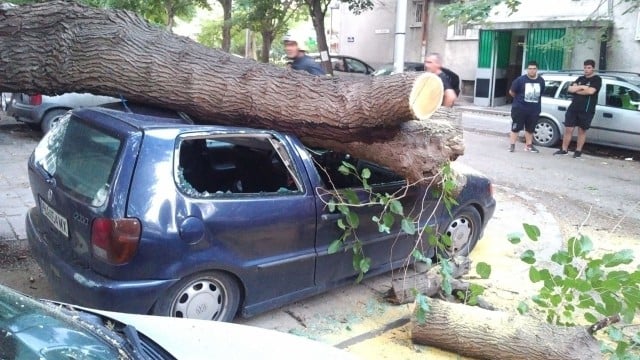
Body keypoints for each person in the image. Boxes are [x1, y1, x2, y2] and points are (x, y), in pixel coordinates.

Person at [554, 59, 602, 158]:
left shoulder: (597, 79)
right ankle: (564, 149)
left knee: (582, 130)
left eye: (589, 68)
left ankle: (578, 151)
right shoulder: (580, 78)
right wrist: (583, 87)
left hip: (587, 109)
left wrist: (578, 89)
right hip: (573, 108)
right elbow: (570, 89)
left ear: (593, 68)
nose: (586, 70)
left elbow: (590, 92)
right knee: (568, 129)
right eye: (585, 68)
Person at [507, 60, 545, 153]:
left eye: (534, 69)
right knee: (515, 127)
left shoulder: (541, 81)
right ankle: (512, 145)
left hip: (534, 110)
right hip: (520, 109)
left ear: (537, 70)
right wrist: (519, 100)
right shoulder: (520, 80)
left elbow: (541, 92)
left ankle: (529, 146)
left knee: (530, 129)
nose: (532, 71)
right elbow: (511, 92)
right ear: (527, 69)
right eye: (530, 69)